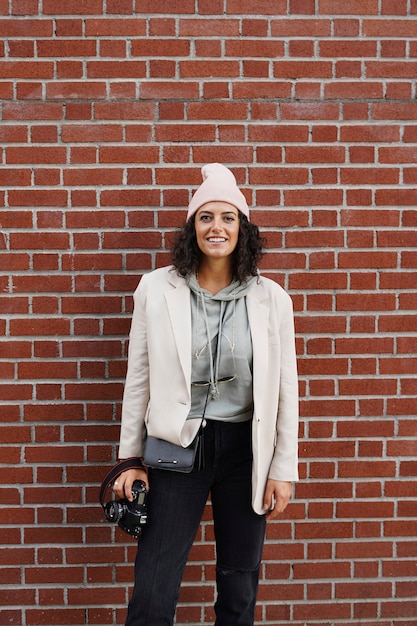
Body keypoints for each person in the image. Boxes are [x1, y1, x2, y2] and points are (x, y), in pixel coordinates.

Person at [112, 163, 299, 626]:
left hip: (245, 452)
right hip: (178, 448)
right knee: (154, 588)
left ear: (243, 228)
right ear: (192, 227)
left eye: (228, 217)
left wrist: (283, 468)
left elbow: (285, 390)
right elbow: (139, 378)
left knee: (239, 584)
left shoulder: (271, 298)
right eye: (206, 217)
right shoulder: (157, 288)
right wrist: (128, 459)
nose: (217, 227)